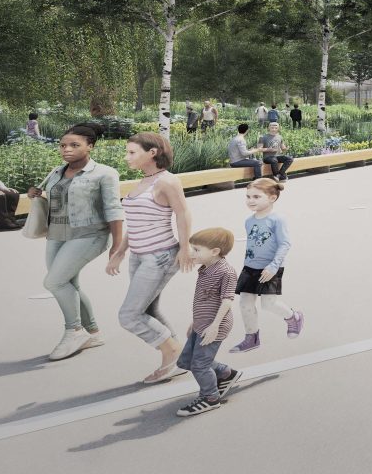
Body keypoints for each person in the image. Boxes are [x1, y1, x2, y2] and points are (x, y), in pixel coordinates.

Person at [31, 123, 125, 361]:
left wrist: (117, 245)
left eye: (74, 145)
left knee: (54, 282)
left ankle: (74, 331)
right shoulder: (56, 171)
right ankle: (93, 333)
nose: (67, 150)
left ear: (90, 146)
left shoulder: (105, 173)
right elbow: (60, 199)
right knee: (68, 284)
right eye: (63, 145)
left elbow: (113, 209)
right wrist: (38, 194)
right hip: (56, 234)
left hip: (89, 235)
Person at [116, 132, 193, 384]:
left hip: (159, 256)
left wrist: (184, 248)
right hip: (139, 256)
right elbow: (137, 223)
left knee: (129, 315)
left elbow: (182, 214)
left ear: (152, 153)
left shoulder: (167, 182)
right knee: (149, 309)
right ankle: (181, 358)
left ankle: (171, 351)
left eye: (131, 152)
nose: (126, 157)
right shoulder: (142, 182)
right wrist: (120, 251)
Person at [229, 178, 303, 352]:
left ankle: (294, 317)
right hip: (249, 267)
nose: (250, 200)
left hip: (270, 267)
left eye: (256, 196)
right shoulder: (249, 221)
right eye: (248, 197)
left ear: (272, 198)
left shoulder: (277, 219)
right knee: (245, 303)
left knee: (268, 304)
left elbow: (285, 243)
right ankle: (252, 338)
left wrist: (273, 266)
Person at [175, 226, 243, 416]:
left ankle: (210, 397)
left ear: (214, 252)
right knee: (186, 361)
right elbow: (205, 299)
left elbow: (227, 300)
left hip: (215, 326)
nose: (192, 253)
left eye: (196, 250)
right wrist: (195, 322)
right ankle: (226, 373)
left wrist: (214, 326)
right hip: (202, 324)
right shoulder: (206, 268)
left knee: (200, 365)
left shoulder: (226, 272)